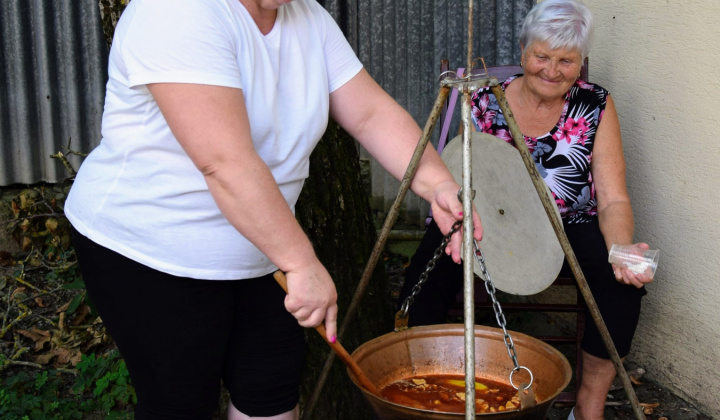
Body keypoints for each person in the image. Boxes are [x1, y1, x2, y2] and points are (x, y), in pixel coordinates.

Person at [63, 0, 482, 419]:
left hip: (260, 247)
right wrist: (300, 263)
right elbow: (225, 163)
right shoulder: (176, 11)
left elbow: (370, 115)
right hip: (151, 251)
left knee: (272, 394)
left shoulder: (308, 17)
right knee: (181, 403)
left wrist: (437, 184)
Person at [398, 1, 653, 419]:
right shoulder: (482, 102)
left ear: (581, 62)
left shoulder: (595, 106)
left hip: (568, 224)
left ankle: (588, 408)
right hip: (491, 223)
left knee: (621, 286)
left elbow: (612, 199)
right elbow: (464, 180)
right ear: (522, 53)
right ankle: (423, 387)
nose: (552, 70)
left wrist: (621, 248)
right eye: (542, 57)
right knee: (432, 262)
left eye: (566, 60)